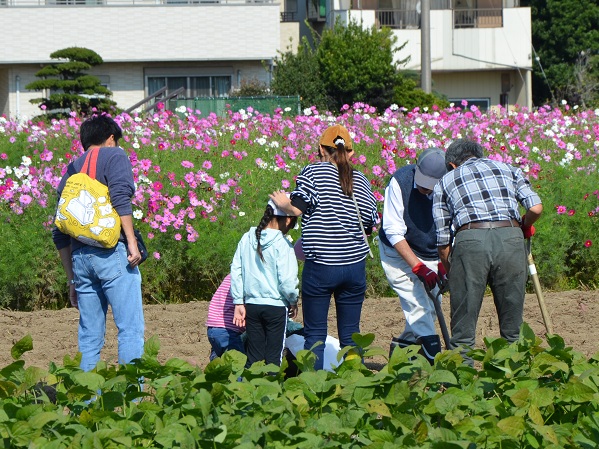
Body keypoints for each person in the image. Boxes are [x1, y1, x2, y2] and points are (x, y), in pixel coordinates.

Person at [269, 124, 378, 371]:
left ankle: (316, 387)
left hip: (321, 266)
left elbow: (297, 209)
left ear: (320, 149)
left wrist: (284, 203)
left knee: (315, 333)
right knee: (351, 334)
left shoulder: (313, 173)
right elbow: (371, 222)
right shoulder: (360, 179)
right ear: (351, 153)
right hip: (354, 266)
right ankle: (355, 381)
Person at [432, 139, 543, 364]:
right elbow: (535, 207)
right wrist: (522, 226)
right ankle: (515, 380)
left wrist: (453, 273)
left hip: (471, 239)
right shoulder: (509, 169)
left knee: (463, 331)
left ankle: (463, 386)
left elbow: (443, 241)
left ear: (452, 164)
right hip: (510, 237)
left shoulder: (445, 181)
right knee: (513, 328)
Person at [52, 114, 145, 372]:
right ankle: (132, 402)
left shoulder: (71, 169)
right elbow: (120, 198)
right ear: (111, 138)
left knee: (90, 338)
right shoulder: (115, 156)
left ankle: (86, 404)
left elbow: (59, 231)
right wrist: (132, 243)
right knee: (129, 330)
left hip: (80, 260)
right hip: (112, 254)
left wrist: (72, 279)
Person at [378, 147, 447, 363]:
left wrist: (442, 262)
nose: (425, 190)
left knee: (432, 307)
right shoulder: (400, 181)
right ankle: (434, 358)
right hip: (397, 251)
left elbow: (448, 226)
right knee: (418, 306)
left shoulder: (447, 186)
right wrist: (417, 267)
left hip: (430, 251)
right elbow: (393, 230)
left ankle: (401, 349)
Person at [231, 196, 299, 367]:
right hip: (276, 308)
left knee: (254, 355)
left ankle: (251, 389)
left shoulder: (247, 238)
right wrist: (293, 300)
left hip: (252, 306)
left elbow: (236, 270)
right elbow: (288, 282)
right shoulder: (284, 245)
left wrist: (238, 302)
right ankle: (271, 390)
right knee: (274, 356)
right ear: (288, 219)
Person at [205, 274, 245, 361]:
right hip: (228, 330)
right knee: (237, 363)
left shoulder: (232, 276)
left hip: (213, 328)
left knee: (219, 358)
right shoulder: (244, 278)